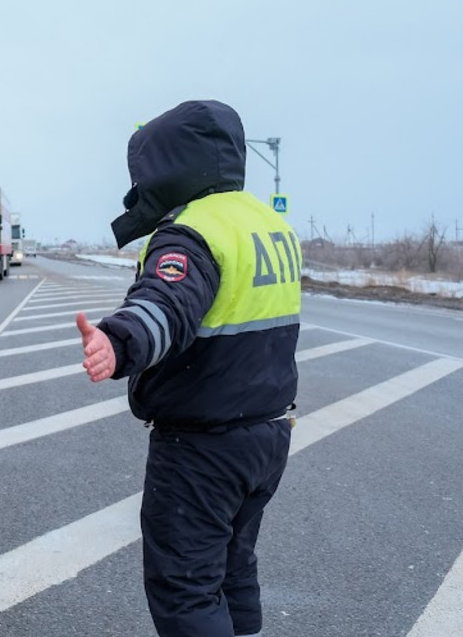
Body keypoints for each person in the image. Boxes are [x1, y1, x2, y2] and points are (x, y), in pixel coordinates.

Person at [75, 99, 300, 637]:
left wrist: (118, 342)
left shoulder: (192, 231)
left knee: (186, 589)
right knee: (232, 569)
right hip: (268, 436)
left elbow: (166, 304)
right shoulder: (270, 225)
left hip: (203, 449)